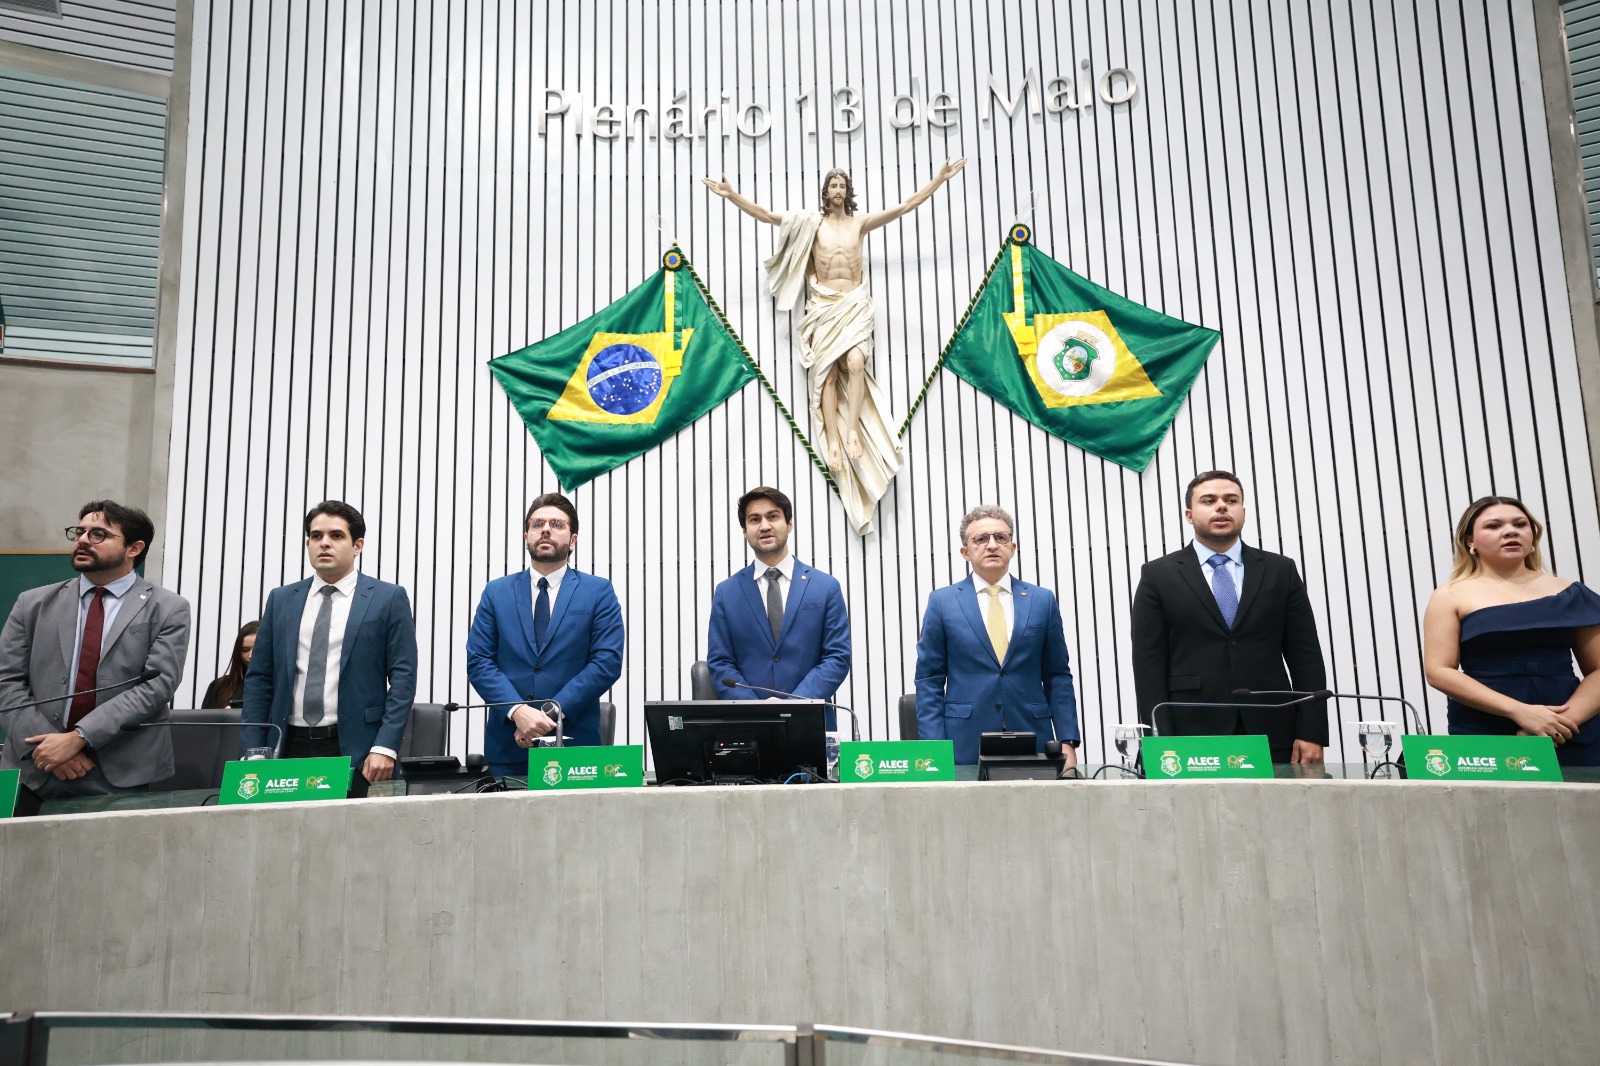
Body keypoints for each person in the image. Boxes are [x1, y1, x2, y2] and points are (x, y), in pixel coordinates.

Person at [703, 160, 965, 534]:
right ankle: (835, 440)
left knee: (856, 362)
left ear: (848, 192)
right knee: (825, 377)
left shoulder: (860, 224)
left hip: (854, 304)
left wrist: (938, 179)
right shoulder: (813, 224)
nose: (838, 192)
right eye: (833, 186)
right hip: (823, 306)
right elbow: (764, 215)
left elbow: (907, 206)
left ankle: (854, 428)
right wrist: (732, 196)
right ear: (825, 192)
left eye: (843, 186)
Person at [1130, 470, 1329, 764]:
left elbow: (1306, 656)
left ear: (1243, 512)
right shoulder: (1158, 575)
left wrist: (1312, 731)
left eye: (1231, 500)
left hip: (1273, 728)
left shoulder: (1279, 570)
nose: (1221, 507)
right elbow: (1148, 665)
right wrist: (1159, 738)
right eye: (1208, 500)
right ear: (1189, 514)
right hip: (1190, 731)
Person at [0, 501, 190, 803]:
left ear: (133, 548)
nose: (83, 540)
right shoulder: (31, 603)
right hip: (34, 767)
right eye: (80, 531)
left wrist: (78, 738)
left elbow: (157, 685)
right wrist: (49, 749)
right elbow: (6, 681)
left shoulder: (168, 608)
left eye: (99, 534)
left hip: (121, 769)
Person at [241, 502, 417, 795]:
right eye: (316, 536)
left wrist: (385, 745)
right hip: (286, 745)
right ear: (307, 543)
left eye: (336, 536)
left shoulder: (388, 598)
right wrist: (253, 748)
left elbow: (403, 679)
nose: (324, 543)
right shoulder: (282, 600)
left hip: (358, 747)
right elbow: (259, 678)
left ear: (357, 545)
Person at [1422, 495, 1600, 766]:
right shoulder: (1450, 596)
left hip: (1569, 729)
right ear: (1470, 541)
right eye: (1494, 526)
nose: (1510, 531)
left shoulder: (1571, 593)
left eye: (1520, 524)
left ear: (1532, 535)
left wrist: (1557, 723)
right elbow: (1439, 671)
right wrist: (1521, 713)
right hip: (1485, 729)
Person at [467, 493, 624, 779]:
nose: (546, 529)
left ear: (573, 540)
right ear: (527, 535)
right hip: (509, 746)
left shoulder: (598, 592)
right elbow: (479, 661)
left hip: (576, 752)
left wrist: (548, 714)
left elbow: (606, 663)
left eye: (557, 524)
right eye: (537, 524)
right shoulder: (496, 592)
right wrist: (518, 712)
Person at [914, 506, 1080, 766]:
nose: (992, 545)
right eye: (981, 539)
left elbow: (1057, 675)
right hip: (963, 741)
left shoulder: (1041, 600)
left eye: (1000, 538)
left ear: (1012, 548)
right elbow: (929, 681)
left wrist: (1068, 740)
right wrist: (934, 749)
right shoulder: (942, 603)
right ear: (965, 552)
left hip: (1033, 736)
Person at [706, 486, 851, 728]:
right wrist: (755, 708)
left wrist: (794, 703)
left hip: (812, 723)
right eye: (754, 519)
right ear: (745, 531)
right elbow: (720, 663)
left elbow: (837, 657)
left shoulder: (825, 587)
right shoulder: (726, 592)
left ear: (789, 524)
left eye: (773, 516)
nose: (764, 526)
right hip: (748, 725)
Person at [202, 620, 258, 709]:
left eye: (257, 650)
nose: (251, 655)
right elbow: (205, 721)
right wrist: (225, 718)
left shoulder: (280, 688)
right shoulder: (219, 687)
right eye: (245, 649)